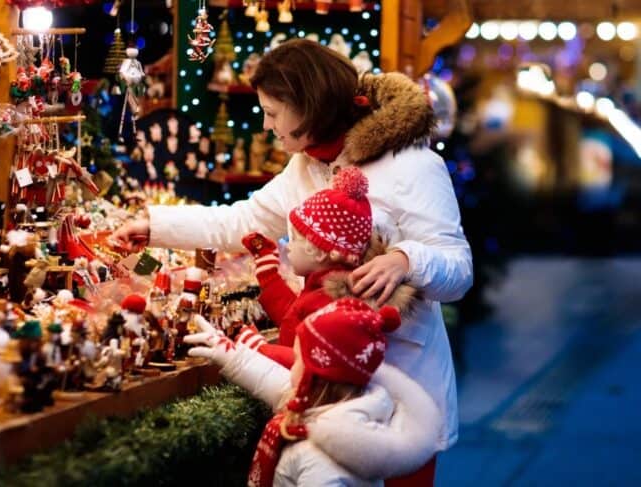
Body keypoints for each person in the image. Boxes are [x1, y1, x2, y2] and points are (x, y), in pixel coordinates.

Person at [113, 39, 473, 483]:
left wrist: (405, 259)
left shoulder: (412, 165)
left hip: (401, 390)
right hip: (326, 393)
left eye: (273, 112)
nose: (266, 126)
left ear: (309, 106)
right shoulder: (304, 166)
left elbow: (458, 268)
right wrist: (154, 225)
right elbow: (243, 220)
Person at [184, 298, 441, 486]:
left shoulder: (321, 458)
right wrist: (231, 354)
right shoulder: (338, 409)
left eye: (298, 360)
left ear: (316, 377)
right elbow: (274, 381)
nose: (292, 365)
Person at [240, 166, 419, 367]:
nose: (288, 246)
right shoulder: (322, 287)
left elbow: (307, 362)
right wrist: (269, 275)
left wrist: (258, 349)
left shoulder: (328, 303)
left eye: (296, 239)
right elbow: (294, 318)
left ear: (320, 251)